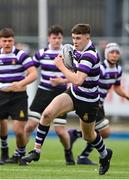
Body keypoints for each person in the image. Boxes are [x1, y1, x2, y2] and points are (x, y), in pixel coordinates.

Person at [22, 24, 113, 175]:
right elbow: (74, 77)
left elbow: (78, 80)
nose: (75, 41)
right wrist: (67, 63)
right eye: (73, 38)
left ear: (87, 37)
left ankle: (105, 154)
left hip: (88, 101)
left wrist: (61, 66)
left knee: (88, 136)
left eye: (78, 38)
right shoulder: (76, 50)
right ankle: (36, 151)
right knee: (47, 114)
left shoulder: (89, 55)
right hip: (74, 94)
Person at [67, 42, 129, 165]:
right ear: (106, 54)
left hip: (99, 104)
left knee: (96, 132)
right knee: (104, 132)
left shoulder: (118, 69)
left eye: (117, 52)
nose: (114, 55)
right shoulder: (101, 68)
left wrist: (126, 96)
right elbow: (90, 83)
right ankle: (83, 154)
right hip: (93, 102)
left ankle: (76, 137)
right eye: (112, 52)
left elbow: (117, 87)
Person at [24, 25, 75, 165]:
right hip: (42, 92)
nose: (57, 40)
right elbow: (30, 69)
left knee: (59, 131)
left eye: (59, 37)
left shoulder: (67, 53)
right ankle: (20, 153)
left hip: (60, 94)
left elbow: (76, 76)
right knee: (29, 126)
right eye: (54, 37)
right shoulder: (41, 53)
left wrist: (61, 81)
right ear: (49, 38)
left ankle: (68, 151)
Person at [0, 27, 37, 164]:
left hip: (18, 98)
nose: (7, 43)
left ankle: (20, 153)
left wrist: (20, 83)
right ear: (0, 42)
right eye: (4, 41)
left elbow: (33, 74)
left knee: (18, 130)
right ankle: (4, 150)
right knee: (1, 123)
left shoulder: (21, 55)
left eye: (10, 41)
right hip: (1, 96)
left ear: (13, 41)